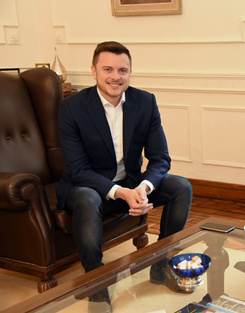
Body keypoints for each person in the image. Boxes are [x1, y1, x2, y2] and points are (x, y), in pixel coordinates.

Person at [56, 41, 192, 277]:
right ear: (94, 71)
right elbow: (77, 170)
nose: (115, 77)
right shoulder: (72, 107)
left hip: (130, 183)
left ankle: (160, 264)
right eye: (107, 69)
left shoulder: (145, 102)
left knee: (181, 186)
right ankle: (96, 283)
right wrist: (121, 192)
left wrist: (143, 187)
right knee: (87, 198)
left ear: (130, 73)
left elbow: (160, 158)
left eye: (122, 70)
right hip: (88, 187)